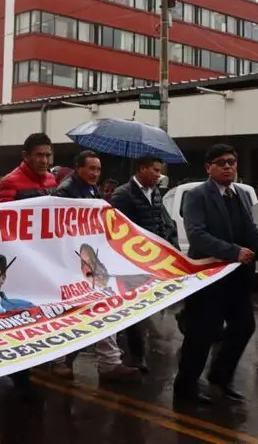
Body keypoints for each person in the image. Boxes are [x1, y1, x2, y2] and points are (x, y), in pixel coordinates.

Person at [174, 144, 258, 405]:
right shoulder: (197, 195)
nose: (228, 166)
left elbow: (252, 229)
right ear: (209, 168)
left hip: (237, 278)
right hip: (208, 276)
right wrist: (233, 251)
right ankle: (185, 390)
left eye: (232, 161)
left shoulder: (240, 193)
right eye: (221, 162)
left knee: (244, 327)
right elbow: (197, 234)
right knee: (201, 335)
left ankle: (219, 377)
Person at [50, 150, 141, 382]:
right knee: (71, 310)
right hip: (71, 260)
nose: (95, 173)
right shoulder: (66, 191)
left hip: (90, 257)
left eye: (98, 169)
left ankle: (109, 361)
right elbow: (63, 227)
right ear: (78, 168)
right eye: (91, 168)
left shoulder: (92, 190)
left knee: (105, 304)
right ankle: (61, 359)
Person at [108, 156, 179, 372]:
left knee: (147, 307)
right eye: (155, 170)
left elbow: (161, 223)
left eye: (160, 171)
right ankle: (137, 356)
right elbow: (115, 229)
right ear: (142, 169)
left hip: (154, 261)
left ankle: (132, 347)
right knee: (134, 310)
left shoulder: (156, 193)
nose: (159, 175)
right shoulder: (122, 195)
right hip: (130, 263)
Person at [0, 133, 56, 202]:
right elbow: (3, 211)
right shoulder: (9, 183)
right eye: (39, 155)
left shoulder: (52, 179)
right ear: (25, 156)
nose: (44, 161)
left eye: (47, 155)